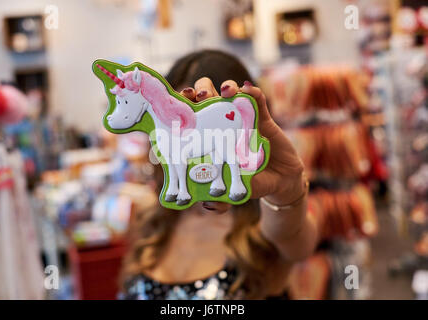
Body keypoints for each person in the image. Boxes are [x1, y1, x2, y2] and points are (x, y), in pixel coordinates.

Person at [119, 49, 318, 300]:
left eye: (203, 120)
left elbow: (295, 238)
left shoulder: (266, 226)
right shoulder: (153, 219)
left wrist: (286, 191)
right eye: (176, 118)